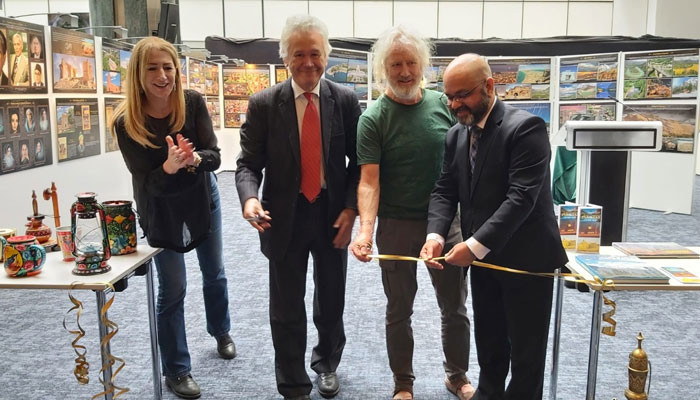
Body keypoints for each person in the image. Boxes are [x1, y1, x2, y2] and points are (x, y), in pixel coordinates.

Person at [420, 54, 568, 400]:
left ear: (489, 86)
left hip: (528, 260)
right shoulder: (456, 135)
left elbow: (521, 200)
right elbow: (445, 189)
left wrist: (472, 246)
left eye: (463, 95)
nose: (456, 104)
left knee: (526, 354)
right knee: (489, 341)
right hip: (484, 259)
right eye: (449, 97)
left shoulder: (526, 128)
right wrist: (435, 235)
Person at [235, 15, 361, 400]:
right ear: (286, 58)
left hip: (330, 214)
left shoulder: (344, 100)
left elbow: (360, 164)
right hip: (282, 216)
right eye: (300, 55)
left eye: (316, 54)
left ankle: (326, 364)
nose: (309, 63)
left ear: (327, 56)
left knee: (331, 299)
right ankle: (292, 383)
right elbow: (247, 165)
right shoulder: (264, 104)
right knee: (286, 306)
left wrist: (351, 208)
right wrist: (250, 197)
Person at [349, 26, 473, 400]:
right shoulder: (373, 118)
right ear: (382, 69)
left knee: (455, 307)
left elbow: (465, 167)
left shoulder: (443, 106)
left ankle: (457, 375)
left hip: (446, 223)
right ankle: (403, 383)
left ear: (423, 65)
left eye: (411, 63)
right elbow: (369, 182)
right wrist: (365, 231)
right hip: (396, 223)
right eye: (396, 64)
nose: (404, 71)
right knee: (399, 309)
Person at [113, 37, 235, 400]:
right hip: (160, 210)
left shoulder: (192, 102)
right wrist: (168, 167)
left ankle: (221, 330)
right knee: (173, 288)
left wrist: (196, 160)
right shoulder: (126, 122)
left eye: (167, 67)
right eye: (152, 68)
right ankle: (177, 370)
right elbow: (147, 183)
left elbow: (215, 156)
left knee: (215, 272)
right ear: (138, 73)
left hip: (201, 198)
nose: (162, 75)